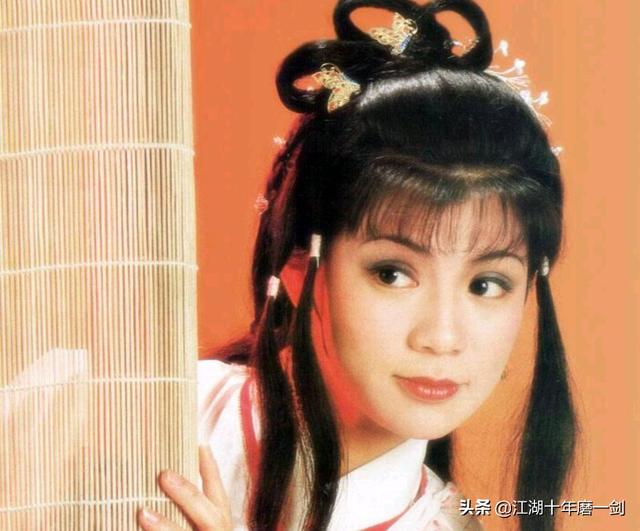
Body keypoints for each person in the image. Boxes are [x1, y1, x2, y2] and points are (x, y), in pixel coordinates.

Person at [137, 0, 577, 529]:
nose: (442, 337)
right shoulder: (160, 410)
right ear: (300, 270)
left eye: (486, 284)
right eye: (393, 274)